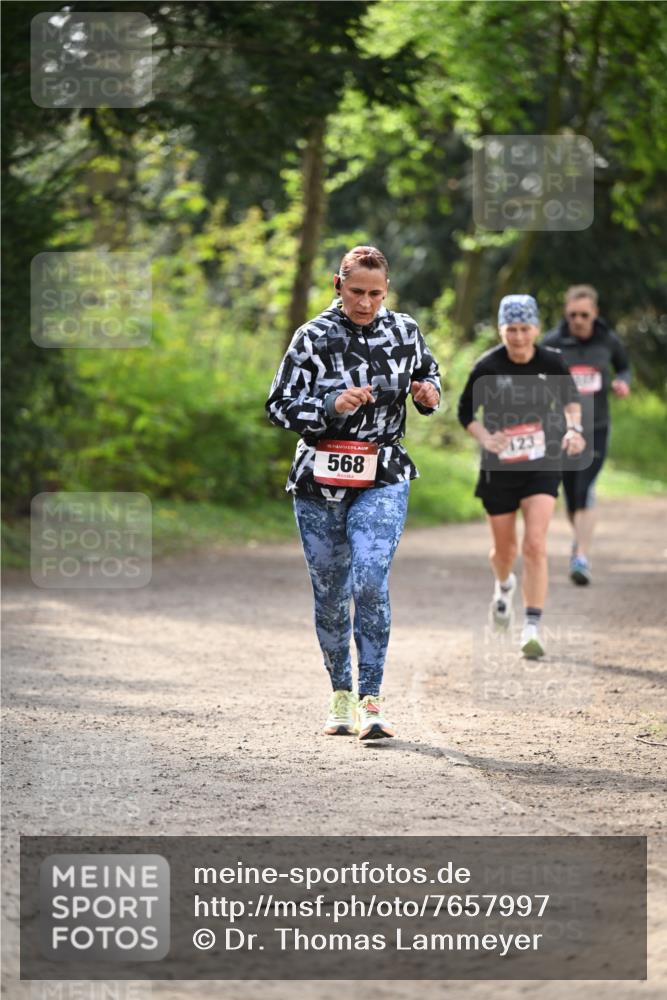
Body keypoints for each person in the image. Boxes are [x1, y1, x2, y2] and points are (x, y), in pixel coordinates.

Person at [266, 246, 441, 739]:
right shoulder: (312, 337)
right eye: (357, 292)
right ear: (337, 284)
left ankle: (371, 699)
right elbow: (278, 405)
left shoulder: (403, 331)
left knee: (369, 581)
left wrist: (428, 394)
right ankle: (340, 694)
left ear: (387, 292)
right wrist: (328, 405)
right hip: (319, 476)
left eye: (376, 294)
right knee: (329, 594)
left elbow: (428, 374)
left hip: (383, 471)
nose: (365, 303)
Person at [457, 294, 585, 658]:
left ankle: (531, 626)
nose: (517, 336)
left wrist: (574, 430)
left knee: (534, 544)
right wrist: (486, 437)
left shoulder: (552, 362)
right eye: (510, 329)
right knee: (504, 551)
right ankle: (503, 585)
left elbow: (570, 401)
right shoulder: (487, 366)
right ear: (501, 329)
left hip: (542, 461)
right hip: (499, 468)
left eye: (524, 329)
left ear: (536, 329)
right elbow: (465, 412)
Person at [542, 285, 631, 585]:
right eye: (572, 315)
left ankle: (581, 555)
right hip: (562, 429)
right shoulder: (553, 342)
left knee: (586, 488)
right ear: (566, 313)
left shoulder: (608, 340)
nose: (578, 320)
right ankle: (580, 543)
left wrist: (622, 381)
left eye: (584, 315)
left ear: (595, 314)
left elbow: (624, 367)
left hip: (596, 427)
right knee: (571, 495)